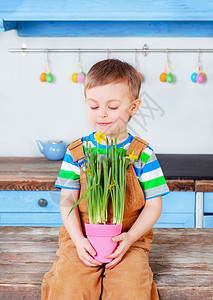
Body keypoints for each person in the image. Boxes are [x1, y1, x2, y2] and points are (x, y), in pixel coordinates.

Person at [42, 58, 170, 300]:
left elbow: (154, 204)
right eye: (93, 106)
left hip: (128, 238)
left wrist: (131, 237)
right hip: (81, 237)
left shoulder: (142, 153)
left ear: (134, 107)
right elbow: (67, 202)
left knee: (132, 289)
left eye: (112, 107)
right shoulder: (76, 151)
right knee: (69, 287)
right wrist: (79, 241)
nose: (102, 114)